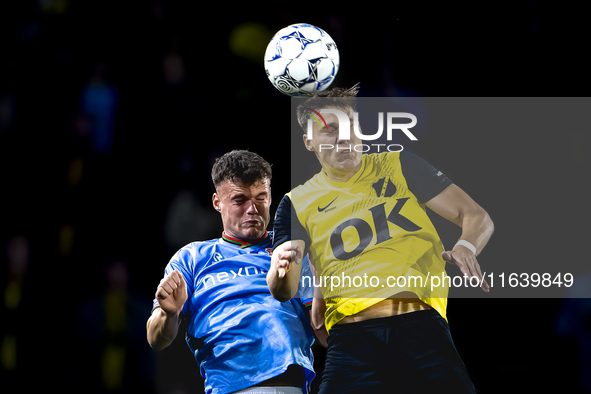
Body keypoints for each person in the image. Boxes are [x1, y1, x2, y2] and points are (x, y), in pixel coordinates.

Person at [267, 85, 494, 393]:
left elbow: (475, 216)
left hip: (420, 330)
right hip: (352, 344)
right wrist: (281, 273)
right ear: (308, 141)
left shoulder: (401, 165)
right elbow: (285, 288)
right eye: (330, 130)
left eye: (350, 126)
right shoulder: (295, 203)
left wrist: (466, 245)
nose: (344, 137)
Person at [147, 150, 318, 394]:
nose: (253, 209)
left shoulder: (292, 250)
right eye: (240, 200)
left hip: (285, 386)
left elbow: (323, 329)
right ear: (217, 202)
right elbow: (157, 339)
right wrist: (167, 314)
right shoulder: (191, 258)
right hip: (226, 387)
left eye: (261, 197)